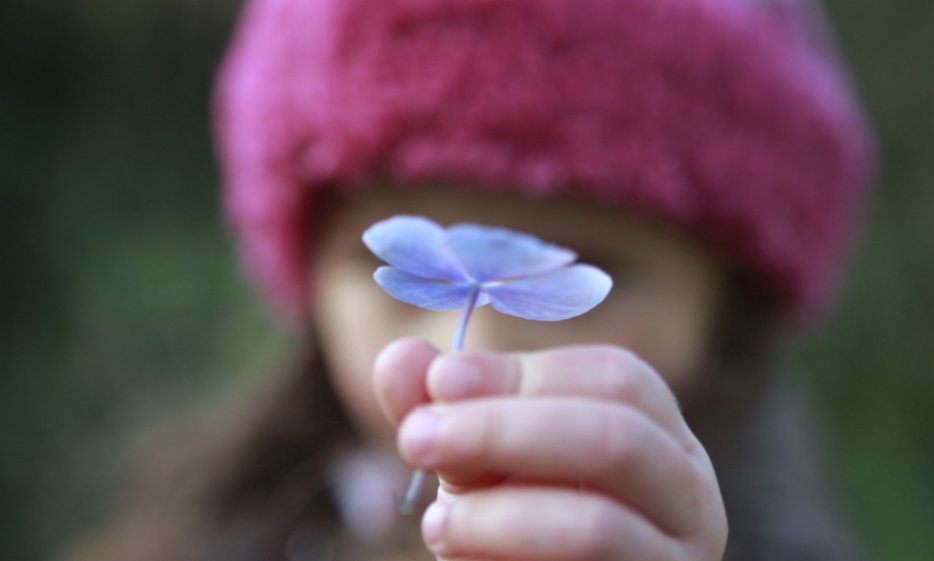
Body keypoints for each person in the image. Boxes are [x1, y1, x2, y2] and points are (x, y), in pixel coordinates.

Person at [65, 0, 873, 559]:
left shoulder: (773, 535)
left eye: (585, 263)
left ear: (728, 304)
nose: (478, 348)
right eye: (403, 269)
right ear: (308, 275)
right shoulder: (226, 530)